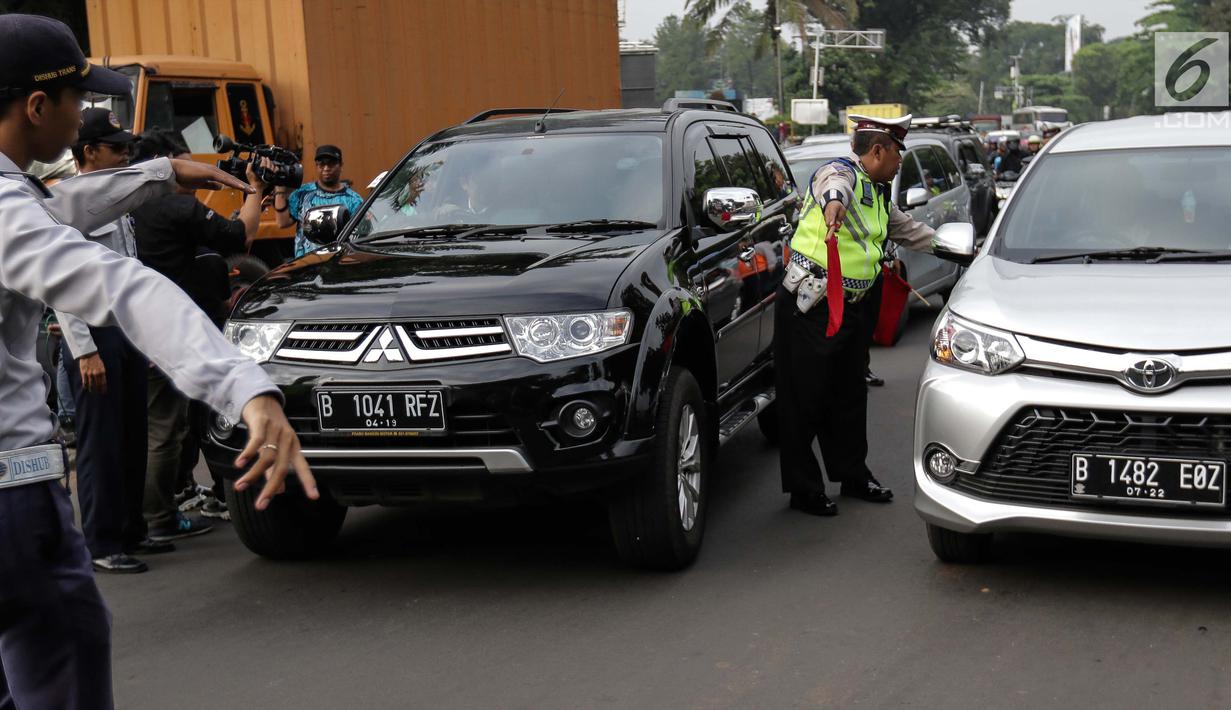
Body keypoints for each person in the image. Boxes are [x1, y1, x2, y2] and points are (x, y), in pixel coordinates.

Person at [0, 15, 317, 709]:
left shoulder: (21, 198)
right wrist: (244, 386)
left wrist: (159, 171)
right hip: (12, 502)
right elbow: (122, 284)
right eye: (79, 100)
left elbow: (53, 206)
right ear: (35, 108)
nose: (87, 116)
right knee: (64, 669)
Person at [775, 114, 938, 517]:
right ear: (879, 149)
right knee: (804, 399)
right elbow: (834, 189)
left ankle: (853, 475)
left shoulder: (879, 193)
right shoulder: (839, 172)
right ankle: (803, 488)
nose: (901, 160)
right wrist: (833, 206)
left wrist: (966, 250)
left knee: (849, 395)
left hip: (855, 307)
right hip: (811, 307)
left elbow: (911, 232)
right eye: (899, 151)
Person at [130, 129, 266, 537]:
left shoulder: (127, 209)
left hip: (139, 328)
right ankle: (158, 519)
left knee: (162, 425)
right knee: (168, 430)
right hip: (171, 334)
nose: (198, 171)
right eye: (187, 163)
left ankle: (156, 508)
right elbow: (241, 235)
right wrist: (255, 191)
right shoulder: (176, 207)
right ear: (166, 167)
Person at [55, 107, 163, 574]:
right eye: (117, 150)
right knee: (100, 442)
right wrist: (84, 350)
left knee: (131, 433)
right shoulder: (66, 202)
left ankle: (131, 529)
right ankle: (101, 541)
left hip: (127, 329)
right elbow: (61, 282)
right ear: (88, 152)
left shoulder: (113, 199)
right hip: (94, 334)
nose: (125, 157)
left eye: (128, 149)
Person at [272, 144, 363, 258]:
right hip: (307, 266)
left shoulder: (353, 200)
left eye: (331, 163)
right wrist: (279, 190)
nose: (326, 168)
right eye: (321, 164)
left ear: (341, 166)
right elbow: (282, 223)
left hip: (339, 265)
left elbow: (360, 236)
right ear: (316, 166)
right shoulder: (302, 194)